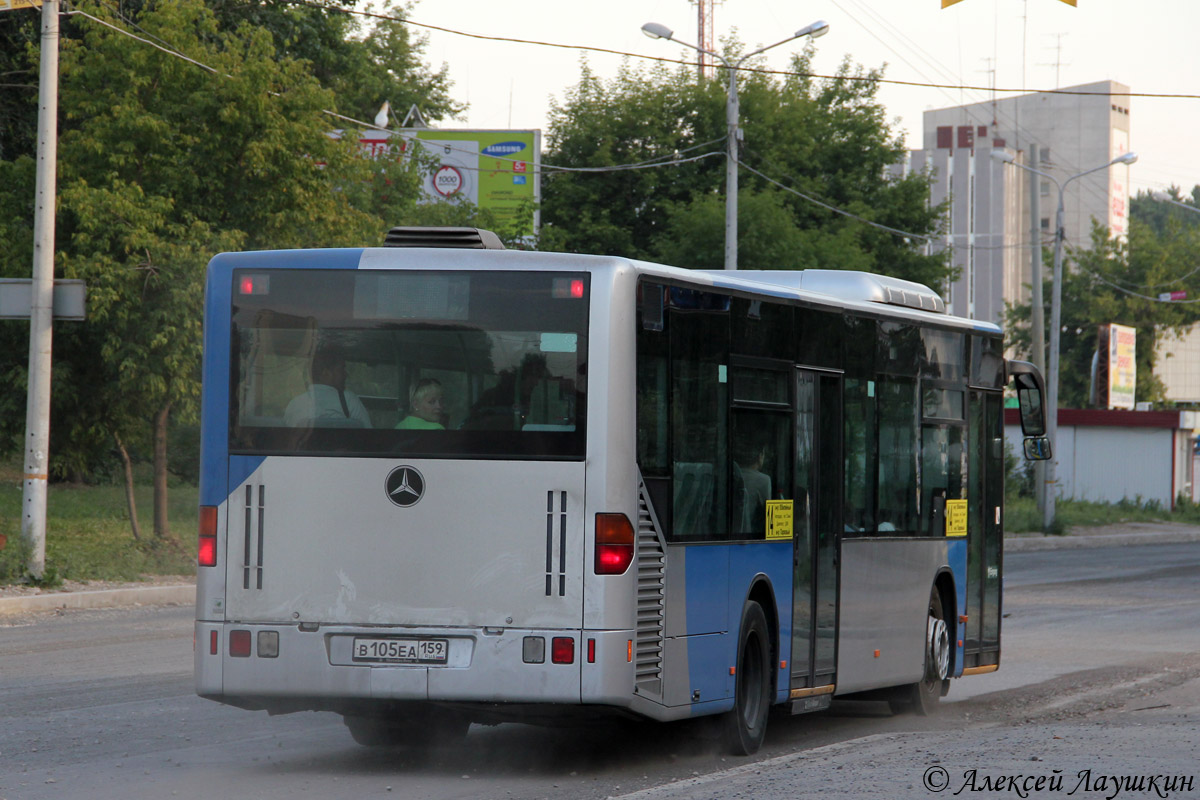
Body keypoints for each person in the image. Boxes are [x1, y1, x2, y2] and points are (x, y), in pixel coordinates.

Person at [284, 345, 372, 428]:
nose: (345, 374)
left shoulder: (294, 404)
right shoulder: (349, 400)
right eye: (341, 369)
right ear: (325, 373)